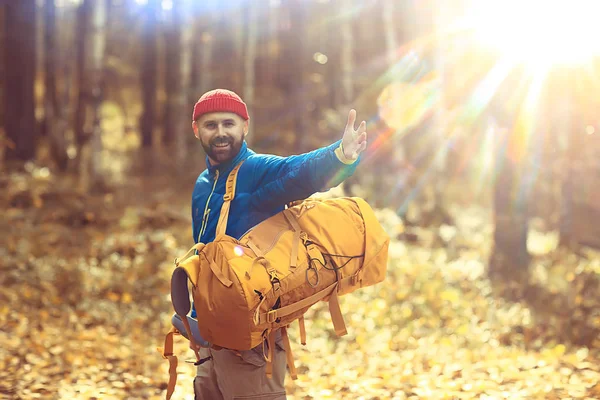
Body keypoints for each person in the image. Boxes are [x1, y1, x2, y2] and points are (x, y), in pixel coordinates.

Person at [189, 88, 368, 400]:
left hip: (253, 338)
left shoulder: (257, 170)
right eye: (211, 125)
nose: (220, 133)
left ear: (245, 126)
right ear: (196, 130)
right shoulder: (204, 184)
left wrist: (340, 155)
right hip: (210, 335)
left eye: (228, 124)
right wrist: (195, 321)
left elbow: (297, 171)